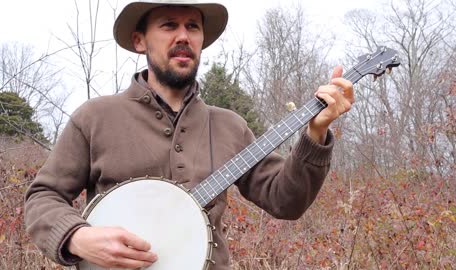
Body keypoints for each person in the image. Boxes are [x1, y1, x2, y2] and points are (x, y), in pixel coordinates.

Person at [24, 1, 354, 269]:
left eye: (192, 27)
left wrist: (316, 130)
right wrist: (78, 237)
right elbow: (43, 196)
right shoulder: (95, 117)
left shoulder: (229, 126)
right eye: (169, 25)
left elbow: (286, 202)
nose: (183, 36)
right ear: (140, 41)